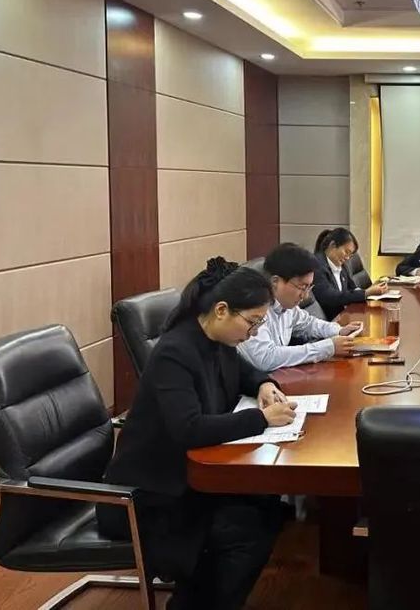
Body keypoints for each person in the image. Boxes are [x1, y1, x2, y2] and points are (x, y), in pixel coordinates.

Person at [98, 257, 296, 610]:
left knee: (269, 507)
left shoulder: (218, 341)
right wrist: (262, 419)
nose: (253, 332)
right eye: (252, 322)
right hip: (147, 495)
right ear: (221, 310)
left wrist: (265, 384)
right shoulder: (175, 352)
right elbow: (189, 428)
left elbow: (247, 373)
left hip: (188, 477)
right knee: (244, 530)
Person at [238, 243, 362, 371]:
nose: (306, 295)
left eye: (309, 287)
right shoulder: (253, 310)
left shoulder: (287, 307)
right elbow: (266, 358)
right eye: (302, 287)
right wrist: (328, 347)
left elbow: (308, 323)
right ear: (275, 281)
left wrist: (339, 331)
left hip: (281, 376)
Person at [313, 228, 388, 320]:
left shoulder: (341, 266)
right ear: (333, 245)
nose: (347, 258)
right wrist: (366, 293)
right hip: (332, 321)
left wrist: (370, 292)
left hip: (346, 316)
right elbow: (330, 297)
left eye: (350, 255)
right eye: (346, 252)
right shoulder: (316, 266)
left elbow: (352, 288)